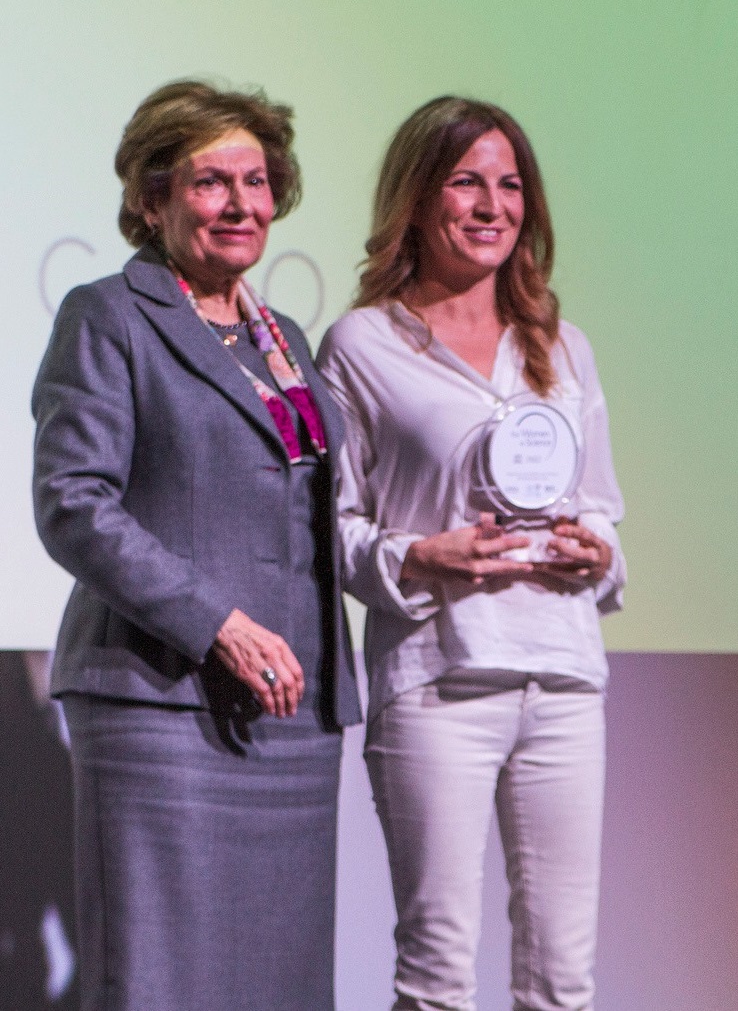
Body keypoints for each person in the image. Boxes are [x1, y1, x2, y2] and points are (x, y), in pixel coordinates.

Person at [32, 79, 360, 1011]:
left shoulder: (284, 338)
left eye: (257, 182)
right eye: (212, 182)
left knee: (282, 985)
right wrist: (218, 624)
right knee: (160, 979)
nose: (241, 205)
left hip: (292, 717)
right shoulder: (108, 317)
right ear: (152, 197)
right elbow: (72, 502)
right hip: (160, 704)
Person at [317, 96, 625, 1011]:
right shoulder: (362, 345)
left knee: (562, 979)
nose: (492, 205)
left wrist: (592, 551)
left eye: (510, 185)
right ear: (417, 198)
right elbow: (331, 528)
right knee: (438, 976)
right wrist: (420, 559)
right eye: (465, 182)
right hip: (438, 682)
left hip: (564, 679)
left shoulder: (562, 347)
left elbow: (604, 509)